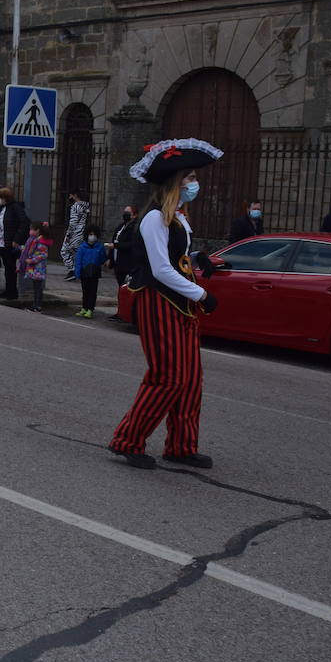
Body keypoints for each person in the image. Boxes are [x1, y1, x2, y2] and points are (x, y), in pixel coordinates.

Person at [108, 139, 224, 469]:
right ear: (174, 181)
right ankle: (127, 440)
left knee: (190, 378)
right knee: (167, 377)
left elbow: (177, 256)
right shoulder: (154, 218)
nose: (194, 183)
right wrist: (201, 294)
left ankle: (182, 446)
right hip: (158, 301)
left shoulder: (178, 219)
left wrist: (199, 258)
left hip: (179, 304)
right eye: (188, 177)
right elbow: (160, 269)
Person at [0, 186, 30, 300]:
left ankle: (12, 291)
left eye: (0, 197)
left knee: (11, 268)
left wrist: (16, 239)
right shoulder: (1, 208)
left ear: (5, 198)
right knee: (7, 267)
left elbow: (24, 223)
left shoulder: (15, 208)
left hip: (10, 242)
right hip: (1, 242)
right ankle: (8, 290)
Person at [73, 224, 107, 318]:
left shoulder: (99, 248)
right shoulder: (82, 247)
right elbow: (78, 261)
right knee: (85, 291)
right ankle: (84, 307)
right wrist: (77, 273)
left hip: (95, 273)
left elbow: (102, 259)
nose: (92, 236)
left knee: (92, 292)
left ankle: (90, 309)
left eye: (94, 234)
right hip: (85, 272)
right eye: (91, 234)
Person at [19, 221, 52, 312]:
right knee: (36, 287)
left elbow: (43, 254)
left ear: (37, 230)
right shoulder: (36, 240)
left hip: (38, 267)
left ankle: (38, 306)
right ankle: (35, 305)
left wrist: (32, 260)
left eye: (31, 229)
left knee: (38, 288)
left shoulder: (41, 241)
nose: (30, 231)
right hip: (35, 268)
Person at [61, 190, 90, 282]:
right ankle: (80, 271)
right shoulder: (85, 206)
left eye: (71, 195)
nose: (69, 197)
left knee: (64, 251)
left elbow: (73, 222)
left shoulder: (75, 206)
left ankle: (73, 270)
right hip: (81, 232)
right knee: (77, 252)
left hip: (75, 233)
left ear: (75, 195)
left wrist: (69, 235)